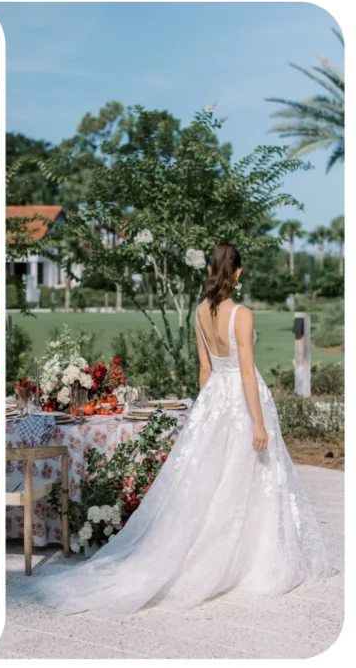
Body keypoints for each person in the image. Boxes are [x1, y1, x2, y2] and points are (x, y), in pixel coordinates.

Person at [30, 243, 334, 615]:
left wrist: (207, 412)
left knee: (215, 479)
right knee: (248, 476)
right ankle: (249, 559)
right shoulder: (242, 314)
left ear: (211, 271)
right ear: (236, 273)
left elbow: (205, 370)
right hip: (241, 400)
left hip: (215, 400)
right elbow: (246, 372)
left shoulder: (200, 311)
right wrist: (257, 421)